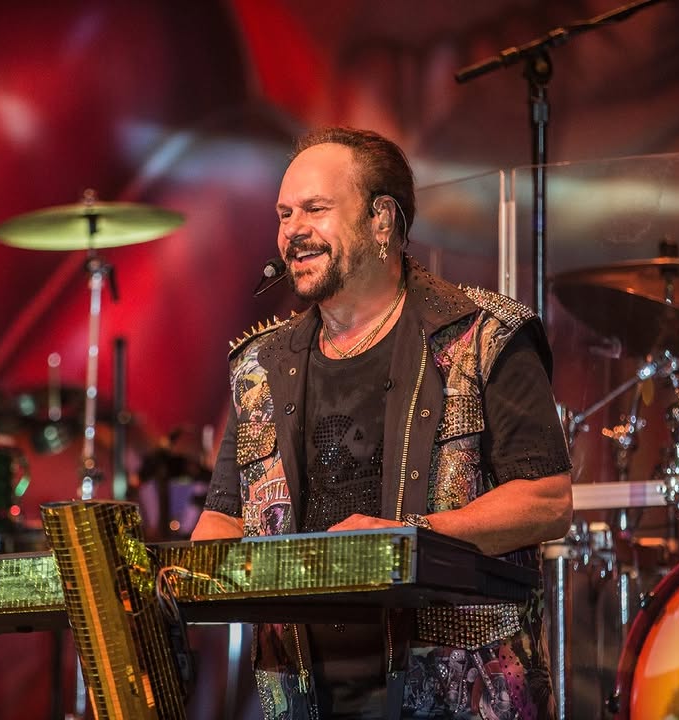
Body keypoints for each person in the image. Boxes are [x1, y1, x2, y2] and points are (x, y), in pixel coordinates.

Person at [192, 127, 573, 719]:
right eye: (284, 214)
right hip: (300, 695)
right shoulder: (258, 366)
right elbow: (221, 522)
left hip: (457, 694)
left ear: (381, 220)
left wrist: (403, 541)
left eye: (316, 209)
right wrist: (192, 575)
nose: (293, 230)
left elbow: (547, 500)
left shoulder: (485, 335)